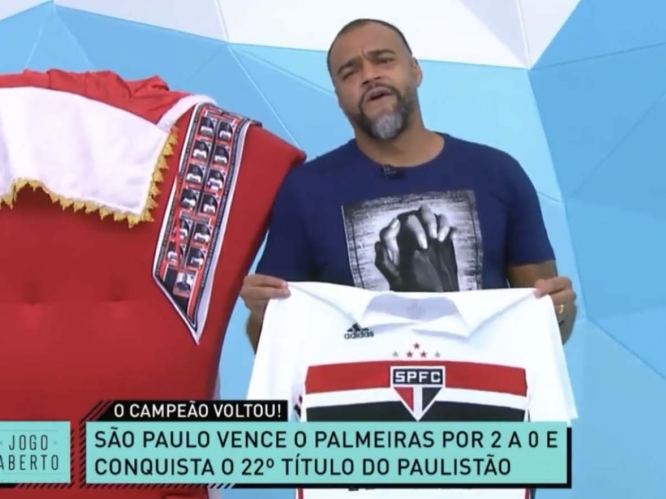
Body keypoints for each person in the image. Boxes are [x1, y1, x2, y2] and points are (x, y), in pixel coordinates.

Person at [240, 18, 577, 350]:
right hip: (357, 386)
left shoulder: (498, 173)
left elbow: (547, 322)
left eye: (383, 60)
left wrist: (559, 311)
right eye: (349, 72)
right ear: (338, 97)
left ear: (415, 70)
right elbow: (271, 342)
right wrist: (261, 315)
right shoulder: (305, 191)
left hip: (485, 384)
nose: (369, 76)